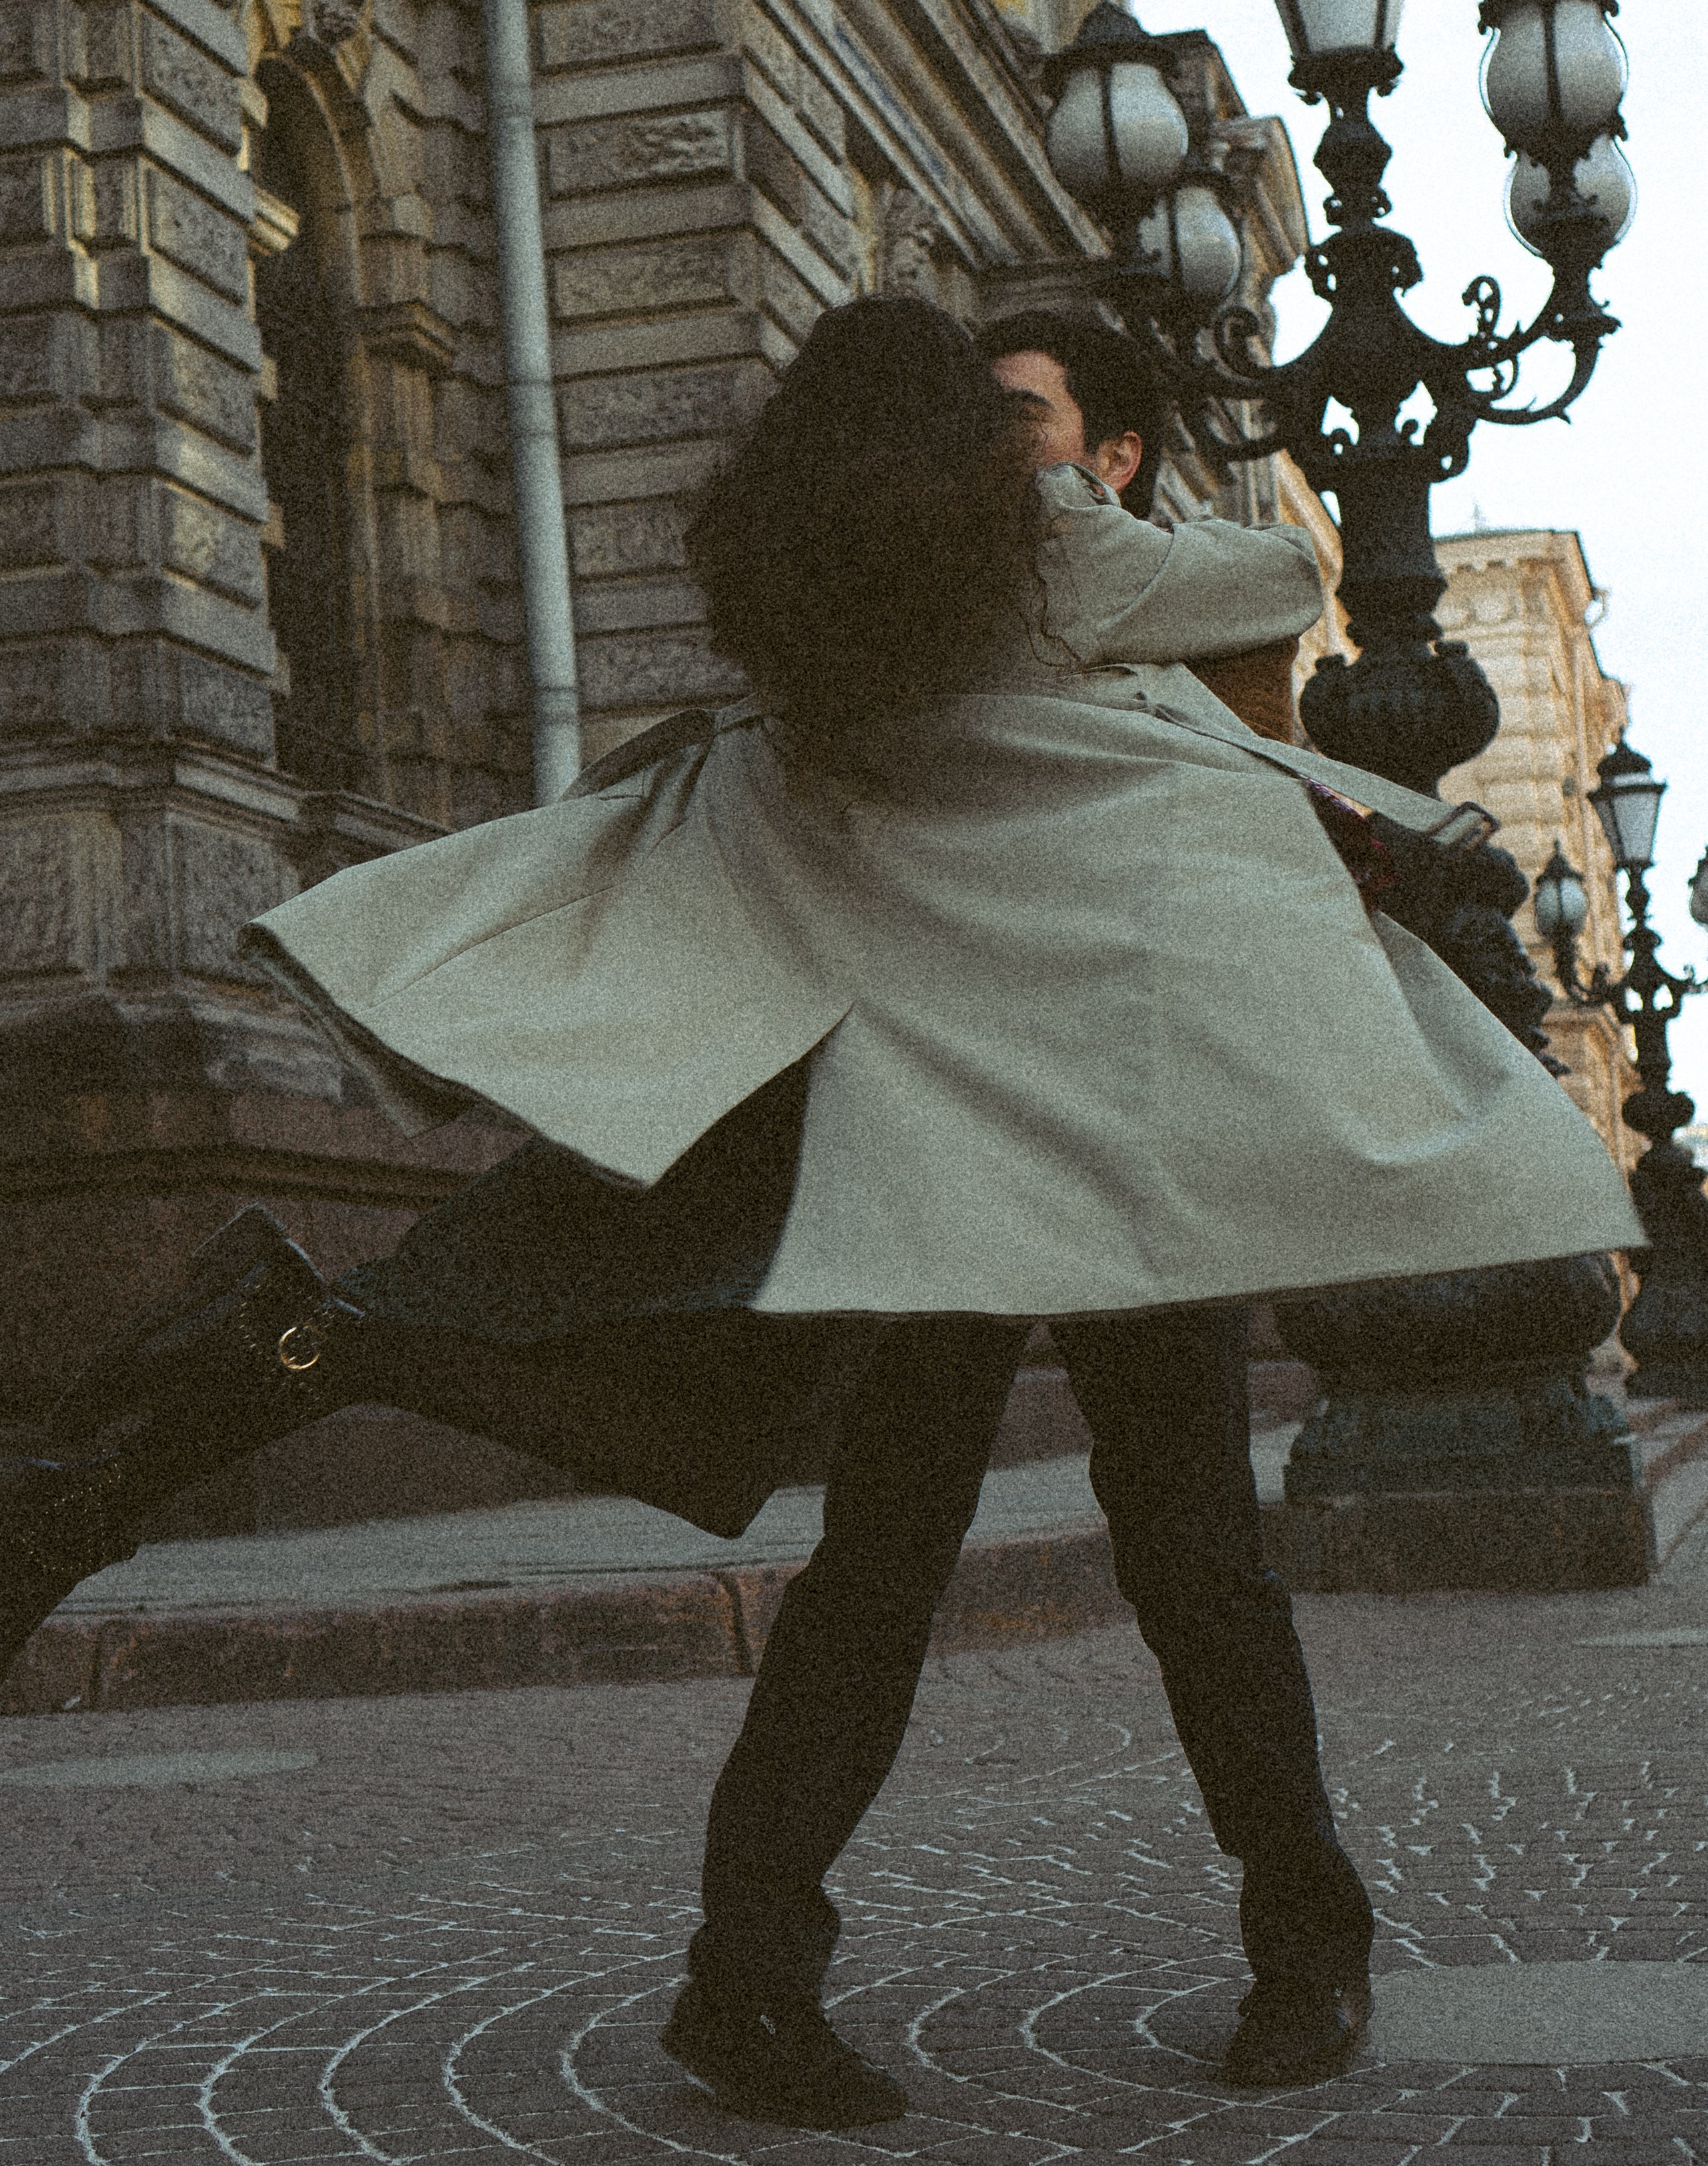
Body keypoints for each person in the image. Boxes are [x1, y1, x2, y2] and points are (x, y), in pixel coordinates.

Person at [2, 298, 1643, 2127]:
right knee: (1164, 1561)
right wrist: (1109, 526)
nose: (1003, 437)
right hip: (1085, 1137)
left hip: (978, 1146)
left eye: (1025, 411)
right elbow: (1265, 571)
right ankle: (1287, 1949)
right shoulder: (1054, 548)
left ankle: (768, 1977)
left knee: (938, 1569)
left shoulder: (839, 594)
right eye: (988, 412)